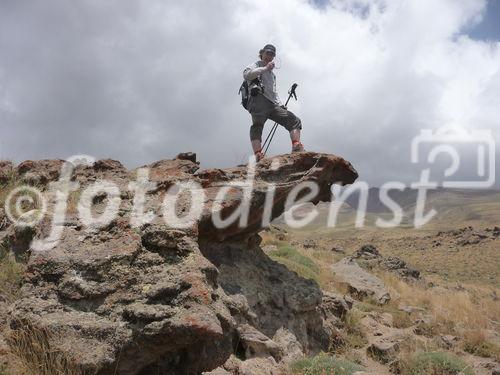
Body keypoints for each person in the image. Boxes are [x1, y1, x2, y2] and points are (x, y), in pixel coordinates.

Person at [243, 44, 304, 161]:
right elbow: (246, 75)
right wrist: (265, 68)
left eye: (272, 54)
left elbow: (273, 92)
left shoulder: (272, 75)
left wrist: (280, 104)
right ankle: (258, 154)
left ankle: (296, 145)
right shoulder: (256, 65)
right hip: (258, 100)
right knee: (257, 126)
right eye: (267, 53)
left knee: (294, 120)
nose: (269, 56)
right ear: (262, 54)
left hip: (271, 104)